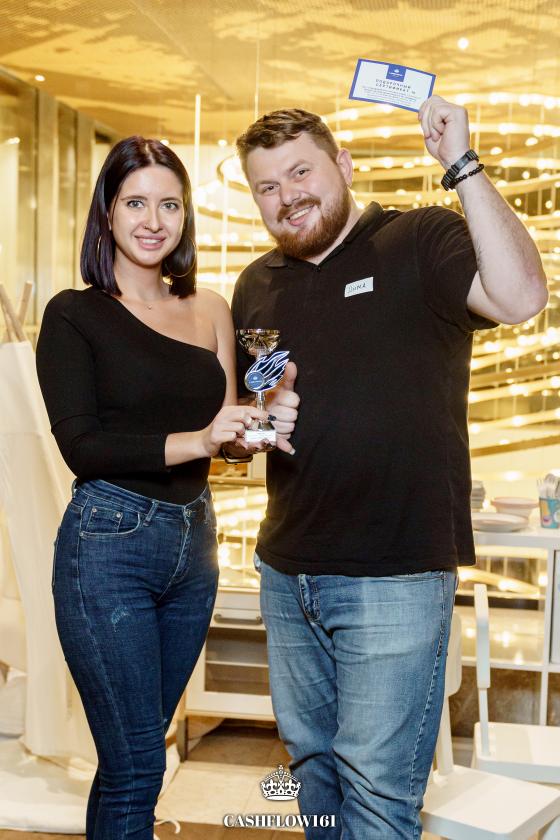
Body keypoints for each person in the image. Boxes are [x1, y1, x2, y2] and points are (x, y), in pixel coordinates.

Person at [230, 96, 548, 838]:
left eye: (301, 172)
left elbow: (521, 296)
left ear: (343, 165)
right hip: (286, 574)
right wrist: (254, 426)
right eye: (267, 186)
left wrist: (460, 164)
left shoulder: (418, 237)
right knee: (314, 777)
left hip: (394, 578)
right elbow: (253, 415)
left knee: (378, 796)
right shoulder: (255, 284)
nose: (287, 196)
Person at [35, 137, 279, 838]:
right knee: (141, 765)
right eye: (135, 202)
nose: (153, 220)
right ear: (107, 212)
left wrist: (257, 426)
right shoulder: (73, 314)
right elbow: (83, 447)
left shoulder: (209, 308)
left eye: (169, 205)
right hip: (108, 545)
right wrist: (200, 440)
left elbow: (226, 434)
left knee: (131, 761)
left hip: (194, 546)